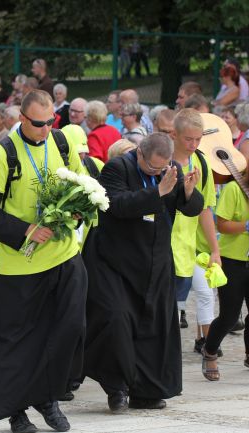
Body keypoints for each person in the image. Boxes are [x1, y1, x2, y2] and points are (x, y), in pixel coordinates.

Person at [0, 90, 87, 433]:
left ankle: (47, 396)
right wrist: (25, 230)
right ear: (21, 120)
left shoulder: (62, 143)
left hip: (64, 256)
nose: (46, 128)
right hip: (19, 266)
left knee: (69, 329)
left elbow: (81, 184)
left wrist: (80, 210)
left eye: (51, 121)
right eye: (39, 123)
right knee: (17, 342)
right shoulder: (2, 154)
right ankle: (17, 411)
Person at [82, 133, 203, 412]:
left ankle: (146, 391)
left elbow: (189, 208)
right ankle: (117, 389)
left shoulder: (172, 170)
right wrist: (157, 191)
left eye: (163, 168)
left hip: (155, 260)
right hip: (116, 262)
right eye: (152, 168)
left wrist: (187, 192)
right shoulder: (116, 168)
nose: (159, 173)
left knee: (154, 325)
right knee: (116, 321)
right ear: (139, 154)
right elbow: (118, 205)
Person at [202, 145, 249, 384]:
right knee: (229, 315)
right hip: (232, 260)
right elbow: (221, 225)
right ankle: (210, 350)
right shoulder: (236, 189)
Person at [167, 110, 218, 334]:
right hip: (161, 246)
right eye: (188, 139)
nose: (193, 144)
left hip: (188, 249)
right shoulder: (161, 159)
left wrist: (214, 249)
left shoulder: (201, 163)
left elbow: (205, 209)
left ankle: (205, 347)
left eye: (198, 139)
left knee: (184, 306)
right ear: (173, 135)